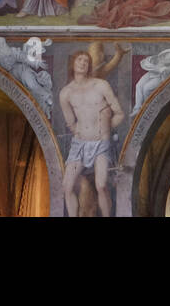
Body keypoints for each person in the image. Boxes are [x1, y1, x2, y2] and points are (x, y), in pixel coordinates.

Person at [59, 50, 124, 217]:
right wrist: (80, 133)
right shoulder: (66, 93)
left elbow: (119, 113)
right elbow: (70, 122)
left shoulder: (100, 85)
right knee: (67, 186)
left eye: (86, 61)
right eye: (79, 60)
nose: (83, 63)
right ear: (72, 63)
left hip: (101, 142)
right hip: (79, 144)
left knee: (101, 184)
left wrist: (105, 132)